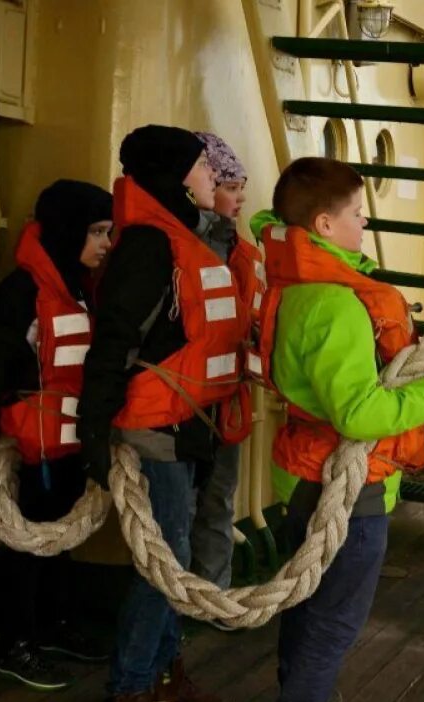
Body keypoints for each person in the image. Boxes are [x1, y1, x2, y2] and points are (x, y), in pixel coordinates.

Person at [258, 157, 424, 702]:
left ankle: (297, 698)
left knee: (305, 598)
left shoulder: (297, 287)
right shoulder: (334, 304)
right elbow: (359, 415)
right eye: (356, 212)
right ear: (325, 225)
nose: (364, 219)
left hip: (301, 471)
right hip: (345, 485)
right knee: (334, 620)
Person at [79, 125, 239, 702]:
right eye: (202, 168)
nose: (211, 179)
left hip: (186, 428)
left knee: (171, 557)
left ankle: (163, 675)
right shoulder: (149, 246)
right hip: (153, 430)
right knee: (160, 563)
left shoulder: (183, 239)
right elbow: (113, 341)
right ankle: (127, 695)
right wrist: (94, 434)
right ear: (176, 176)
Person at [0, 179, 114, 690]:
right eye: (95, 232)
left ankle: (53, 625)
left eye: (108, 232)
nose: (104, 243)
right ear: (68, 231)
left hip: (66, 440)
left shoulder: (74, 288)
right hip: (33, 447)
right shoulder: (24, 291)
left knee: (57, 541)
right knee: (26, 545)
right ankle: (15, 641)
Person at [187, 132, 260, 598]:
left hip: (228, 397)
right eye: (231, 185)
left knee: (217, 500)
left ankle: (213, 594)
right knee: (182, 509)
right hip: (187, 401)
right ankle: (177, 605)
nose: (240, 196)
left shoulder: (242, 253)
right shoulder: (182, 250)